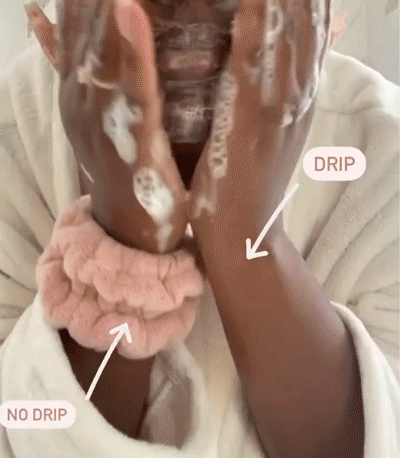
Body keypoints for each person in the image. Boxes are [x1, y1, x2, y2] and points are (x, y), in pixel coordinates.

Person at [0, 0, 398, 457]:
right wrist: (127, 235)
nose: (190, 13)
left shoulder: (383, 152)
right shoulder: (13, 143)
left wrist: (246, 235)